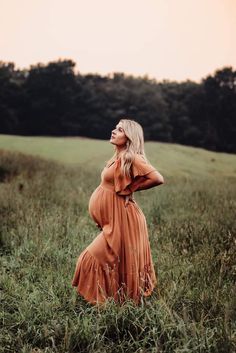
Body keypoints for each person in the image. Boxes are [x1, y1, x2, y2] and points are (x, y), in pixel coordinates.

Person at [72, 119, 164, 305]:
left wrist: (130, 189)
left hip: (124, 219)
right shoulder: (118, 157)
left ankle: (110, 304)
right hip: (113, 220)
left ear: (129, 137)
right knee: (117, 260)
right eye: (115, 127)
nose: (114, 131)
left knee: (90, 258)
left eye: (120, 130)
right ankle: (114, 303)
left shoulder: (133, 158)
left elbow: (157, 178)